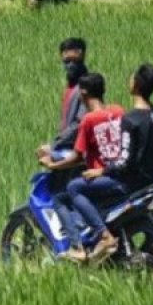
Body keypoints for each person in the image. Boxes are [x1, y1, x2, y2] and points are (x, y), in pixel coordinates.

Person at [69, 64, 153, 265]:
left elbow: (124, 161)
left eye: (132, 77)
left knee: (74, 188)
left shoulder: (130, 119)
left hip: (129, 183)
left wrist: (101, 170)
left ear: (136, 85)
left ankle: (104, 236)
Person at [39, 73, 124, 263]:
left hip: (103, 178)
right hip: (120, 173)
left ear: (83, 93)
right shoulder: (118, 111)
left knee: (63, 196)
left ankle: (80, 246)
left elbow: (77, 156)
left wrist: (52, 163)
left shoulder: (88, 120)